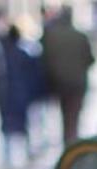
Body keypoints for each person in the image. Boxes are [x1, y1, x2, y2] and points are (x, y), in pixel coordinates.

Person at [39, 6, 93, 146]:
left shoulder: (50, 36)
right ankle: (71, 141)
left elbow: (44, 59)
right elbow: (90, 59)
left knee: (65, 115)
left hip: (59, 83)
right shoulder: (80, 36)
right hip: (77, 83)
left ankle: (68, 142)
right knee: (73, 116)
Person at [0, 23, 42, 169]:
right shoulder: (22, 54)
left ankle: (8, 158)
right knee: (23, 126)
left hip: (8, 95)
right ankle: (24, 155)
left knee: (7, 128)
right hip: (21, 94)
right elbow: (34, 75)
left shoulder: (2, 55)